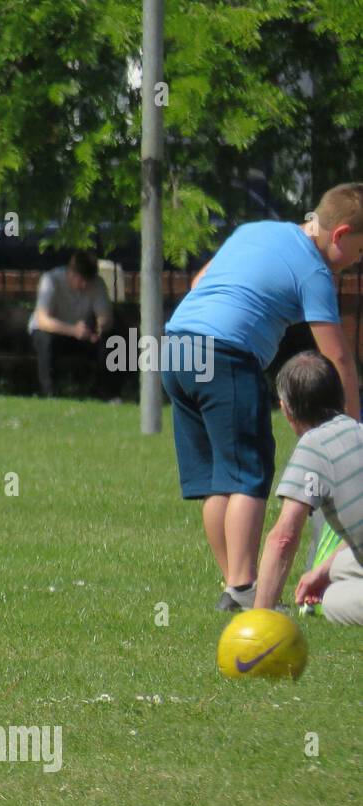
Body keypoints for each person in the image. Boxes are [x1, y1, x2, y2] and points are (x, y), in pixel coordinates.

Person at [161, 183, 363, 612]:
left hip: (176, 346)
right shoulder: (314, 272)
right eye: (361, 252)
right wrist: (353, 428)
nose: (358, 263)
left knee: (218, 478)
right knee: (248, 474)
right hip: (225, 354)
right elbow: (338, 357)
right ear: (341, 235)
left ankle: (236, 589)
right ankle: (242, 586)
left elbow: (200, 281)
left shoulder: (256, 231)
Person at [254, 351, 363, 624]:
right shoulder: (357, 430)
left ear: (287, 409)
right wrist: (321, 573)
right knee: (335, 571)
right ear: (341, 397)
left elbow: (283, 538)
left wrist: (257, 623)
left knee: (333, 599)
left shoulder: (314, 446)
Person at [28, 251, 114, 397]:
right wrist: (73, 330)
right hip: (53, 331)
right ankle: (48, 393)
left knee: (108, 343)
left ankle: (106, 393)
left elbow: (105, 316)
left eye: (88, 281)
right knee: (45, 341)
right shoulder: (50, 280)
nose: (85, 285)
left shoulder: (97, 283)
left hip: (81, 333)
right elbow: (42, 320)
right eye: (81, 280)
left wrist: (100, 327)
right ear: (70, 273)